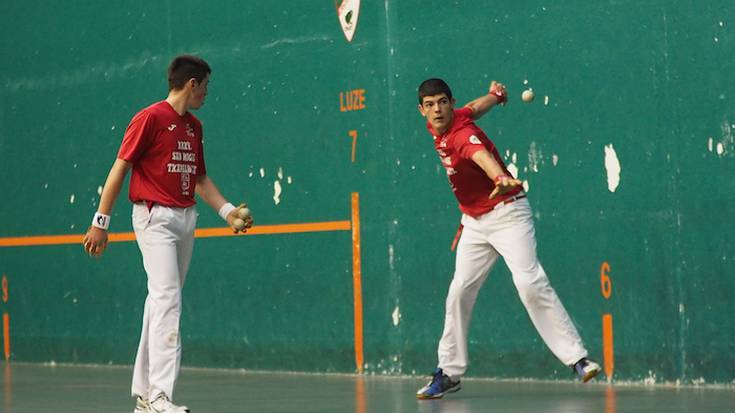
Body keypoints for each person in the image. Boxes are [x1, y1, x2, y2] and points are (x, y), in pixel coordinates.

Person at [82, 55, 253, 413]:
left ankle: (145, 395)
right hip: (153, 218)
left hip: (185, 220)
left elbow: (200, 178)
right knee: (168, 300)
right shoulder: (149, 118)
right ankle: (161, 396)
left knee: (159, 302)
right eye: (205, 86)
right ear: (192, 84)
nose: (207, 93)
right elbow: (120, 168)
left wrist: (227, 211)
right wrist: (101, 222)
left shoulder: (194, 127)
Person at [414, 78, 601, 400]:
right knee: (459, 291)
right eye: (430, 104)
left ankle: (578, 359)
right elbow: (474, 108)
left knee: (529, 282)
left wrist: (499, 177)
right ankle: (449, 372)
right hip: (474, 222)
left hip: (508, 214)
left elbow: (479, 153)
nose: (437, 109)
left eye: (442, 102)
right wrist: (495, 96)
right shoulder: (452, 119)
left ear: (449, 101)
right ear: (423, 111)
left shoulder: (461, 135)